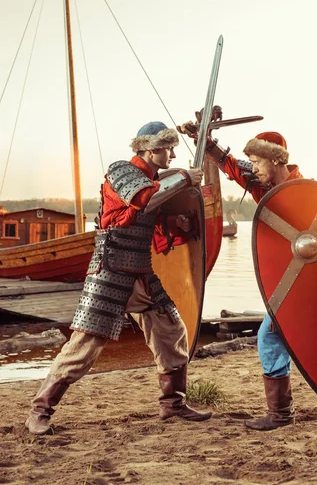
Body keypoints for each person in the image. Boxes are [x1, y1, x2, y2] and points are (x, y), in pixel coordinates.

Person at [178, 119, 317, 431]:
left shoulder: (303, 191)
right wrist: (204, 139)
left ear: (275, 159)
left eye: (256, 161)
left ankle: (282, 414)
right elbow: (231, 165)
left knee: (269, 336)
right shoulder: (261, 184)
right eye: (251, 162)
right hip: (294, 278)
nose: (251, 168)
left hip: (310, 282)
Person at [25, 121, 212, 435]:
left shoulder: (155, 180)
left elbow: (146, 217)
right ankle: (39, 412)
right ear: (148, 148)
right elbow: (142, 200)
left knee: (172, 331)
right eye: (167, 147)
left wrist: (174, 220)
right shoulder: (121, 171)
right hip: (110, 273)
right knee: (83, 349)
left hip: (141, 273)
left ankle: (173, 404)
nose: (173, 154)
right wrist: (183, 178)